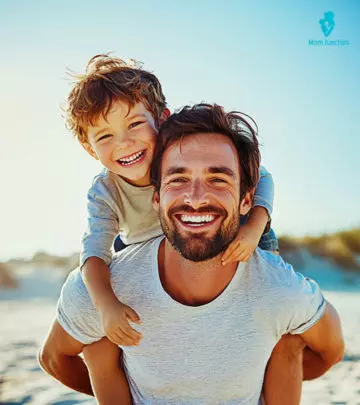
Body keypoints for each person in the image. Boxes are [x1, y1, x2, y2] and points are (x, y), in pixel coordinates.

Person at [40, 104, 344, 405]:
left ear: (246, 200)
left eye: (218, 179)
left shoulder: (280, 290)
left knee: (288, 339)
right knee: (98, 347)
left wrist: (270, 381)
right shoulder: (106, 289)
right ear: (155, 198)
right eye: (178, 179)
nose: (196, 199)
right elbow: (54, 358)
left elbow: (331, 351)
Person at [65, 54, 277, 350]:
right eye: (105, 136)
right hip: (153, 250)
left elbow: (262, 176)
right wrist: (106, 305)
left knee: (263, 286)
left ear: (161, 119)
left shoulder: (180, 149)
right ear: (89, 149)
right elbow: (94, 253)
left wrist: (255, 225)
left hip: (227, 234)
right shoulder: (105, 191)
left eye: (135, 124)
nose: (123, 143)